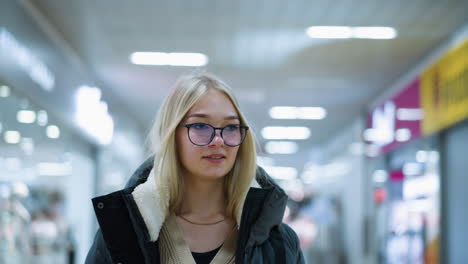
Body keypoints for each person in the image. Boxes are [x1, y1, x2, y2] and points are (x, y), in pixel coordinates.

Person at [85, 73, 305, 264]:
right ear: (172, 137)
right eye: (200, 125)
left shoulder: (278, 243)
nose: (218, 140)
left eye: (230, 127)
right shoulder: (123, 233)